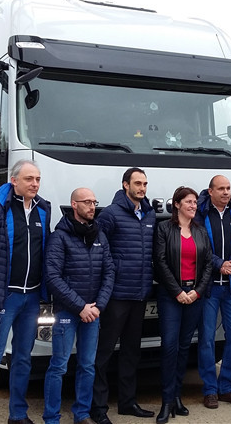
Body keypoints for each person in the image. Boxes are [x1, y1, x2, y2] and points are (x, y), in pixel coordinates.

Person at [0, 159, 51, 424]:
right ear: (14, 181)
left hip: (32, 298)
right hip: (5, 298)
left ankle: (18, 414)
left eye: (37, 179)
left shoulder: (43, 211)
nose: (35, 184)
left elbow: (45, 252)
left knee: (23, 359)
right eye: (29, 179)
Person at [42, 188, 115, 424]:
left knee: (87, 365)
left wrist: (98, 306)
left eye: (94, 202)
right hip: (68, 313)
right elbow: (53, 277)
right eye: (87, 202)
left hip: (93, 313)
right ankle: (51, 417)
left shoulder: (99, 236)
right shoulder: (60, 237)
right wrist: (80, 307)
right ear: (74, 205)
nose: (92, 206)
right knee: (59, 366)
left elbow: (109, 272)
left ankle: (81, 414)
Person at [91, 168, 156, 424]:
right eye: (138, 183)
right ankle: (98, 408)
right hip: (116, 295)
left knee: (132, 352)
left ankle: (128, 403)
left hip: (139, 295)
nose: (142, 188)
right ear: (125, 185)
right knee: (104, 352)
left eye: (145, 184)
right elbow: (99, 251)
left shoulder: (149, 214)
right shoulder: (110, 214)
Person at [153, 186, 213, 424]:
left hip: (194, 297)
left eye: (195, 202)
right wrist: (177, 291)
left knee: (184, 346)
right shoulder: (164, 229)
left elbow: (208, 263)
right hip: (171, 296)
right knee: (169, 347)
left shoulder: (200, 230)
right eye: (188, 202)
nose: (193, 206)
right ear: (176, 204)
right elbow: (159, 262)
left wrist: (197, 292)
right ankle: (167, 401)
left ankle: (178, 396)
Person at [195, 175, 231, 409]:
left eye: (228, 188)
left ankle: (226, 387)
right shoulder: (201, 214)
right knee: (206, 340)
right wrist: (219, 263)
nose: (226, 192)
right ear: (210, 191)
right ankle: (210, 389)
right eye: (221, 189)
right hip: (209, 288)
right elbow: (199, 245)